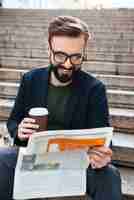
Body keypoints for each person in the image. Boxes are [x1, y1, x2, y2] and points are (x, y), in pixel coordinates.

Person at [0, 16, 122, 200]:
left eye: (76, 57)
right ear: (48, 49)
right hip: (34, 157)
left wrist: (102, 154)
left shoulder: (94, 88)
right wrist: (19, 130)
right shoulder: (30, 79)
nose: (67, 64)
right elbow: (13, 122)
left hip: (75, 161)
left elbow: (103, 137)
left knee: (110, 176)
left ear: (83, 52)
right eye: (60, 55)